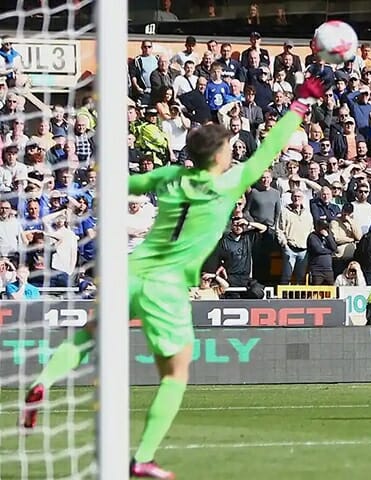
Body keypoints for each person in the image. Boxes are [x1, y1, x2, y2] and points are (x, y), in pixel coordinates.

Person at [21, 77, 326, 478]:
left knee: (88, 334)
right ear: (218, 157)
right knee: (176, 373)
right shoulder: (228, 183)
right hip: (165, 286)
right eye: (230, 149)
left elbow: (117, 185)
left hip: (129, 271)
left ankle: (42, 383)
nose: (234, 154)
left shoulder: (169, 177)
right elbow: (270, 148)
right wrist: (301, 103)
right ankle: (143, 456)